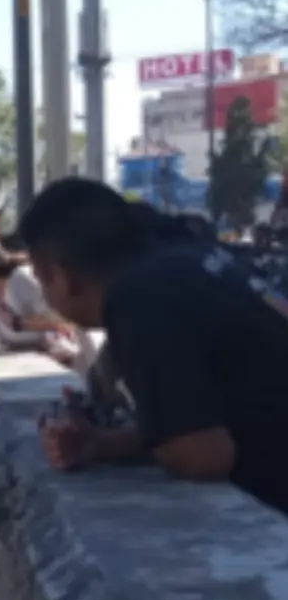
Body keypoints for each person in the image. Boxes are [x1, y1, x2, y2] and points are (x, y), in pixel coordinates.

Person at [19, 177, 288, 515]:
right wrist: (100, 445)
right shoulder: (185, 258)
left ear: (61, 277)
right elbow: (194, 427)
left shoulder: (138, 300)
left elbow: (202, 456)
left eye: (40, 279)